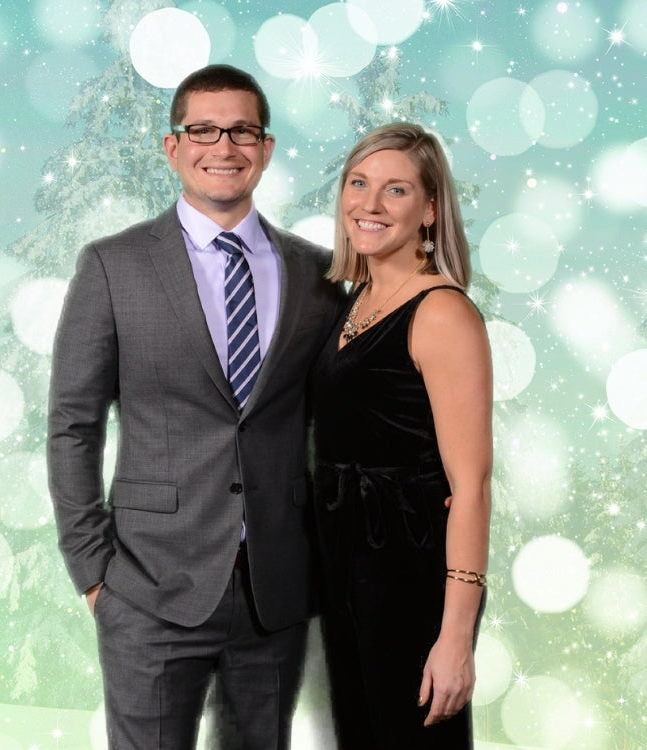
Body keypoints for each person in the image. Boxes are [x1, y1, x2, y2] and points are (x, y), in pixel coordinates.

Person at [47, 64, 342, 750]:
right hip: (148, 589)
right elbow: (72, 426)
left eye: (242, 130)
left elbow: (333, 424)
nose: (224, 147)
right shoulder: (113, 266)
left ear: (266, 148)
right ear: (172, 147)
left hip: (275, 594)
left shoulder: (319, 275)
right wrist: (93, 573)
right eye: (203, 130)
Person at [311, 122, 492, 748]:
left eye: (396, 189)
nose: (370, 203)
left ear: (430, 209)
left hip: (407, 573)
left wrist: (456, 638)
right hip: (345, 568)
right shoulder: (356, 298)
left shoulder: (441, 311)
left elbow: (471, 486)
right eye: (358, 183)